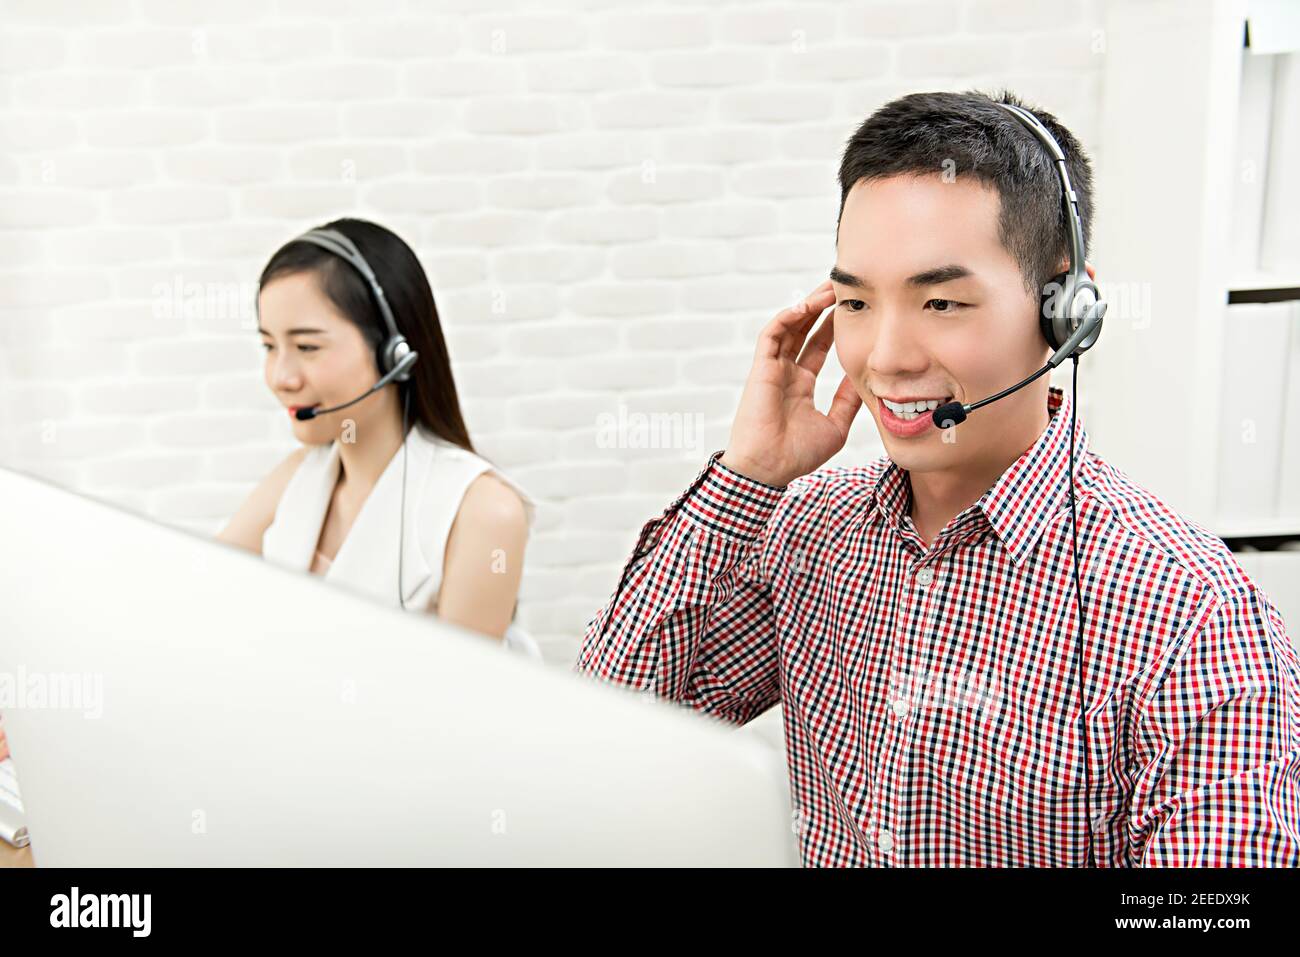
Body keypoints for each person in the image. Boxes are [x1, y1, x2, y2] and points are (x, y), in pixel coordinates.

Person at [574, 90, 1300, 867]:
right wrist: (749, 475)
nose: (886, 356)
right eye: (855, 300)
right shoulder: (808, 535)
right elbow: (604, 730)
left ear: (1065, 309)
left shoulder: (1196, 616)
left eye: (942, 300)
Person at [218, 218, 538, 654]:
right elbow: (205, 598)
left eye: (307, 347)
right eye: (269, 347)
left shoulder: (482, 512)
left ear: (395, 353)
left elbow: (464, 706)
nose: (280, 377)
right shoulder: (296, 478)